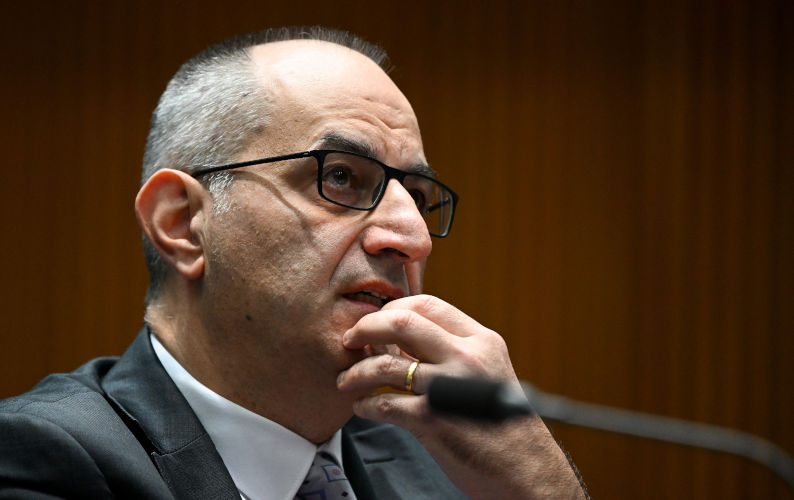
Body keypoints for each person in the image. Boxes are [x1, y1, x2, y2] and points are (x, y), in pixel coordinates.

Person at [0, 27, 587, 499]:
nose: (412, 237)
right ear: (181, 223)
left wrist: (541, 487)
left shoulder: (440, 460)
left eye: (417, 196)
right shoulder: (48, 459)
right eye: (340, 177)